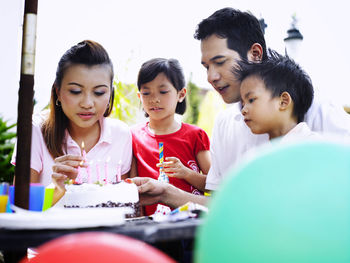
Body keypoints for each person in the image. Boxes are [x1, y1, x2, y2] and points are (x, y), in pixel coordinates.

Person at [132, 7, 350, 208]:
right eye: (206, 67)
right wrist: (165, 193)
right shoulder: (225, 123)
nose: (211, 77)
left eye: (220, 62)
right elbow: (223, 205)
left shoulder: (317, 109)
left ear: (255, 54)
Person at [11, 40, 132, 204]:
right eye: (75, 91)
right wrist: (54, 189)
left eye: (99, 92)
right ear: (58, 92)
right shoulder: (35, 130)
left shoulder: (121, 134)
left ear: (110, 93)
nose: (87, 103)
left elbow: (125, 203)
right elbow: (19, 207)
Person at [131, 58, 211, 215]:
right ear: (140, 97)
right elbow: (133, 189)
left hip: (190, 223)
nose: (154, 99)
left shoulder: (195, 135)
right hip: (152, 227)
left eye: (163, 91)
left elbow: (214, 185)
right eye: (146, 93)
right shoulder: (133, 136)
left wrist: (186, 173)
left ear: (181, 94)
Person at [236, 50, 317, 141]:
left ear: (283, 102)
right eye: (243, 104)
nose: (243, 110)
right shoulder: (268, 152)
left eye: (251, 100)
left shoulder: (315, 147)